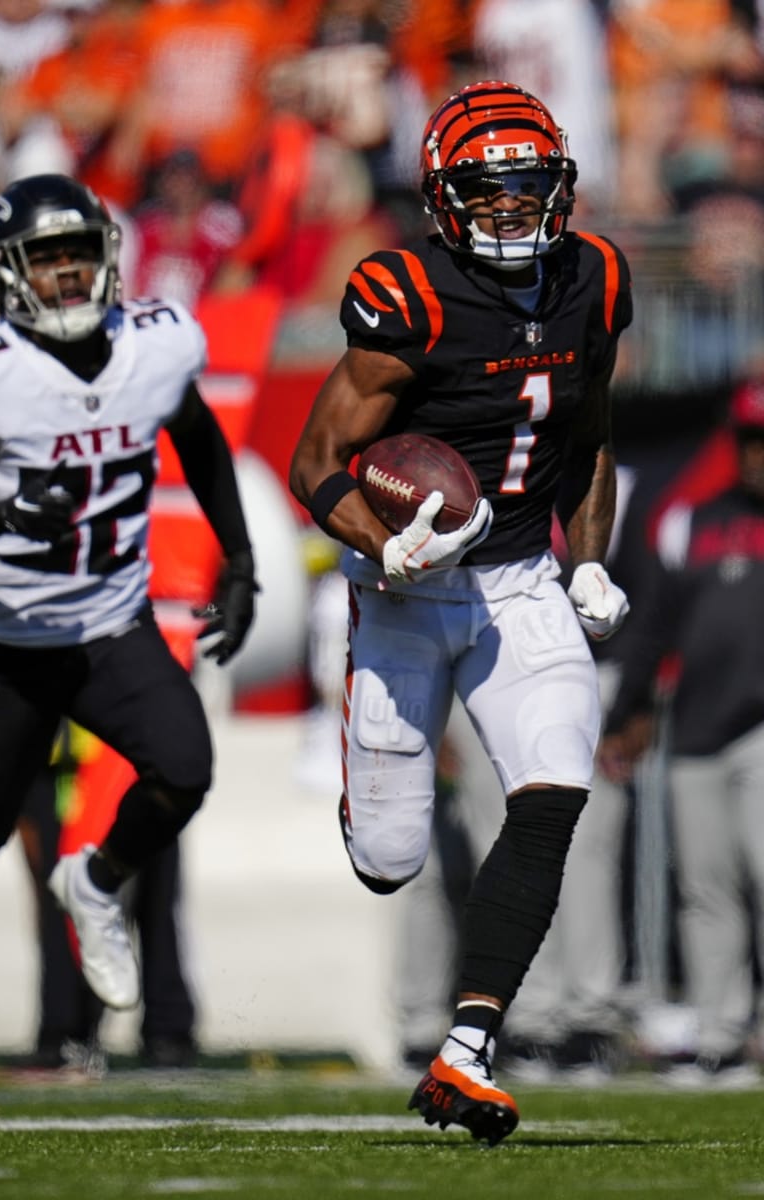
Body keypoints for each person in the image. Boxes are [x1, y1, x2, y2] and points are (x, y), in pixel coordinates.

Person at [288, 81, 632, 1144]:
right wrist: (389, 542)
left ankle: (465, 1050)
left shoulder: (596, 278)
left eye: (530, 185)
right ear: (443, 200)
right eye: (488, 190)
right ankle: (368, 791)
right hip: (407, 591)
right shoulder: (411, 298)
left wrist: (589, 564)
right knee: (391, 859)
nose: (514, 208)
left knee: (555, 786)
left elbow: (591, 435)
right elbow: (313, 464)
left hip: (526, 580)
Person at [0, 173, 257, 1120]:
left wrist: (241, 558)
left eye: (79, 253)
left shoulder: (156, 346)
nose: (67, 274)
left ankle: (94, 881)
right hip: (9, 638)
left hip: (110, 623)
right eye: (47, 258)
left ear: (109, 258)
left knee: (185, 768)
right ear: (8, 274)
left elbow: (202, 438)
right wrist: (7, 511)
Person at [599, 377, 764, 1086]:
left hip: (761, 730)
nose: (761, 458)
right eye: (752, 443)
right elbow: (652, 627)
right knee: (706, 889)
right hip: (696, 727)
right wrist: (629, 710)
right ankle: (721, 1034)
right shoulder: (685, 522)